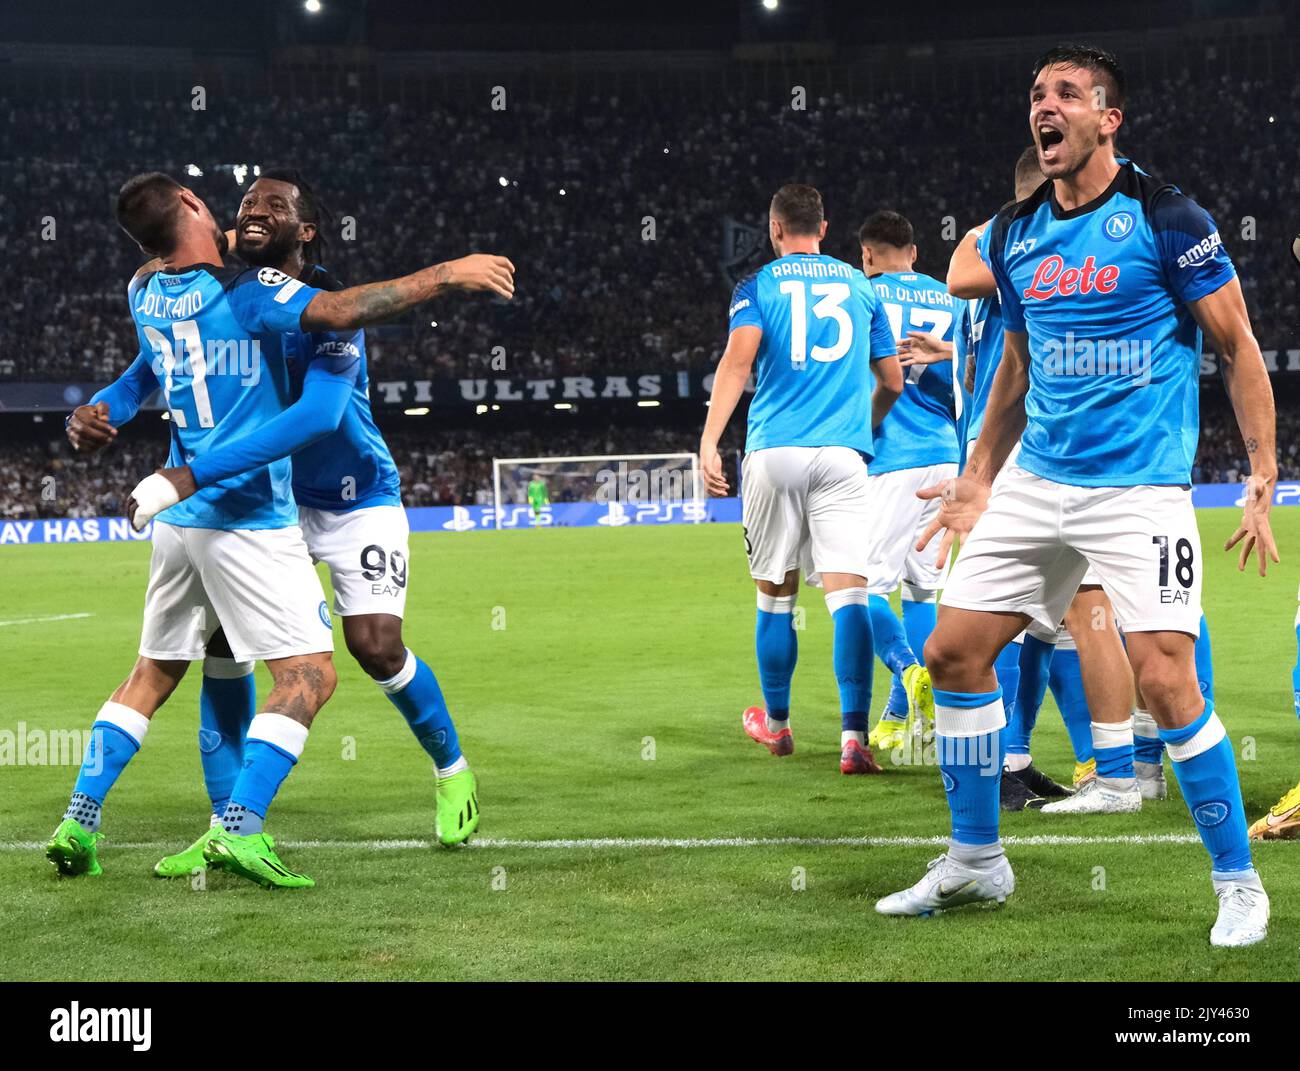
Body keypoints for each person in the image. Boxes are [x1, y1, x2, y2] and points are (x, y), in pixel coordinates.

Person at [876, 46, 1279, 948]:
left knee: (1167, 677)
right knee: (950, 652)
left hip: (1138, 490)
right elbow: (1015, 366)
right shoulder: (1016, 234)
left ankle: (1238, 882)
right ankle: (977, 861)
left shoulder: (1169, 219)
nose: (1041, 107)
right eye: (1034, 94)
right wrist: (980, 477)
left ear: (1109, 117)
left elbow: (1239, 345)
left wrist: (1261, 472)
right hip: (1036, 479)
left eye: (1063, 93)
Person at [51, 171, 512, 888]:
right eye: (245, 205)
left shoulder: (323, 312)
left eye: (276, 205)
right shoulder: (232, 292)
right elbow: (151, 364)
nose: (255, 210)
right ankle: (225, 827)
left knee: (374, 646)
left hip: (352, 495)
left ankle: (451, 769)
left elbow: (317, 418)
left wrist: (192, 472)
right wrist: (104, 404)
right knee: (224, 654)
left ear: (307, 231)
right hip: (268, 498)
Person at [699, 183, 907, 775]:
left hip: (774, 453)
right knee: (849, 598)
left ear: (774, 230)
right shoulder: (862, 287)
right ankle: (853, 739)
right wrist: (860, 430)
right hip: (843, 457)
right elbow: (891, 380)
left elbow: (738, 363)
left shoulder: (756, 286)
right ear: (825, 226)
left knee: (776, 597)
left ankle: (780, 724)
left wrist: (710, 443)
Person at [856, 210, 961, 754]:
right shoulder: (952, 296)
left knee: (861, 586)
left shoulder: (862, 296)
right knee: (923, 589)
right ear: (915, 252)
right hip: (945, 456)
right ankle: (902, 716)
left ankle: (910, 672)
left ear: (867, 256)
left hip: (888, 457)